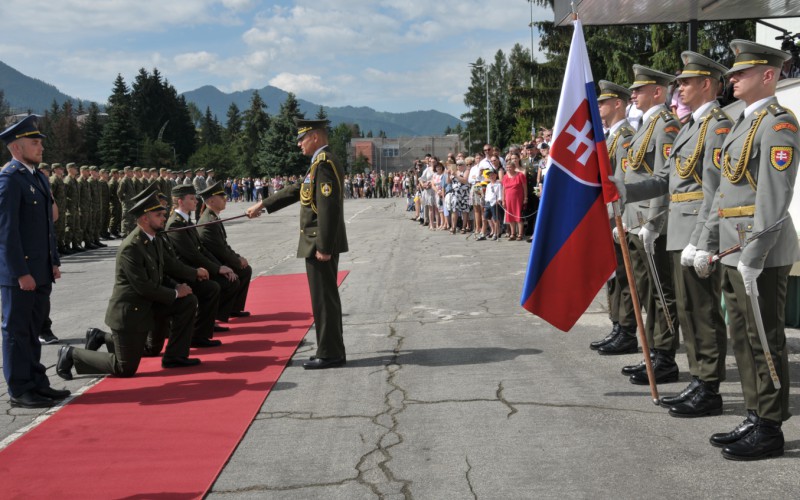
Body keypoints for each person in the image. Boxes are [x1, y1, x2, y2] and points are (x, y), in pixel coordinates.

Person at [611, 53, 732, 417]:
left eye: (686, 82)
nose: (679, 87)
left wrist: (703, 237)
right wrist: (625, 190)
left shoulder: (717, 125)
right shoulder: (693, 126)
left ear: (706, 84)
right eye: (678, 82)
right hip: (681, 227)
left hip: (695, 228)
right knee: (688, 307)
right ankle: (699, 379)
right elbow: (666, 180)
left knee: (702, 310)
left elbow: (715, 189)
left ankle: (708, 385)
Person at [695, 40, 799, 461]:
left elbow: (773, 200)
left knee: (765, 338)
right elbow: (722, 191)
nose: (732, 78)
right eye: (733, 72)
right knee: (742, 335)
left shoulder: (779, 124)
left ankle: (771, 426)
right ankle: (755, 414)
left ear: (769, 75)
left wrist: (752, 258)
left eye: (742, 72)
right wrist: (708, 243)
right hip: (735, 248)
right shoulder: (740, 121)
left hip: (761, 250)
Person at [56, 191, 201, 379]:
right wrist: (175, 293)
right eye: (159, 215)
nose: (164, 217)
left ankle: (175, 357)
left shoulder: (153, 239)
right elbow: (143, 286)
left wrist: (178, 287)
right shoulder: (131, 247)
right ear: (144, 219)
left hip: (149, 304)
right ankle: (70, 353)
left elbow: (160, 274)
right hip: (131, 313)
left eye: (164, 214)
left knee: (187, 303)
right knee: (124, 368)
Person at [246, 118, 348, 369]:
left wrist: (324, 245)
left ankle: (330, 353)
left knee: (324, 299)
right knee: (322, 298)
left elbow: (328, 208)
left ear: (315, 137)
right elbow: (295, 190)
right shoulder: (318, 164)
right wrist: (264, 204)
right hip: (316, 241)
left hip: (319, 243)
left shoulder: (324, 164)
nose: (299, 145)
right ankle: (329, 349)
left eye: (302, 139)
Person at [607, 66, 680, 390]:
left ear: (658, 92)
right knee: (646, 293)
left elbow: (664, 181)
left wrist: (654, 221)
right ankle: (653, 352)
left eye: (639, 89)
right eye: (632, 89)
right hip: (635, 222)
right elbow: (633, 179)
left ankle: (664, 356)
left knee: (660, 294)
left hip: (650, 224)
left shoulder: (665, 126)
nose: (632, 93)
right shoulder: (643, 128)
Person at [0, 115, 68, 408]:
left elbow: (46, 227)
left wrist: (53, 261)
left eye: (40, 142)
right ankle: (19, 389)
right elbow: (7, 233)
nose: (40, 147)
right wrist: (20, 273)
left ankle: (37, 382)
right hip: (21, 274)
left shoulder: (37, 177)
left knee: (34, 327)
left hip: (40, 269)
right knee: (17, 331)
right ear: (16, 148)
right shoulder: (10, 180)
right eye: (34, 142)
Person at [590, 80, 637, 354]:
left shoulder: (627, 137)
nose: (598, 107)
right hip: (608, 217)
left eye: (602, 102)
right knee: (614, 274)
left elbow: (625, 181)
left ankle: (627, 329)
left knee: (623, 273)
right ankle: (617, 324)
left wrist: (622, 218)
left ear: (618, 104)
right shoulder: (610, 138)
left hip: (619, 216)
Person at [197, 181, 253, 318]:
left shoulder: (213, 217)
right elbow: (219, 250)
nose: (225, 199)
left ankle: (234, 308)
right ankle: (218, 313)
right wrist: (235, 262)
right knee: (238, 274)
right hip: (213, 262)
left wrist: (238, 258)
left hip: (219, 259)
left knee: (245, 269)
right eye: (221, 197)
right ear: (211, 200)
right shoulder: (208, 222)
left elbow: (224, 245)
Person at [500, 152, 527, 240]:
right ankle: (512, 233)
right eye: (507, 167)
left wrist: (525, 198)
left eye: (510, 167)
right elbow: (503, 189)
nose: (508, 169)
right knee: (510, 216)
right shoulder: (505, 177)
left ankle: (520, 233)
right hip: (508, 198)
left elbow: (524, 187)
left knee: (518, 215)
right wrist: (503, 200)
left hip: (518, 198)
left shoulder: (520, 175)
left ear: (514, 167)